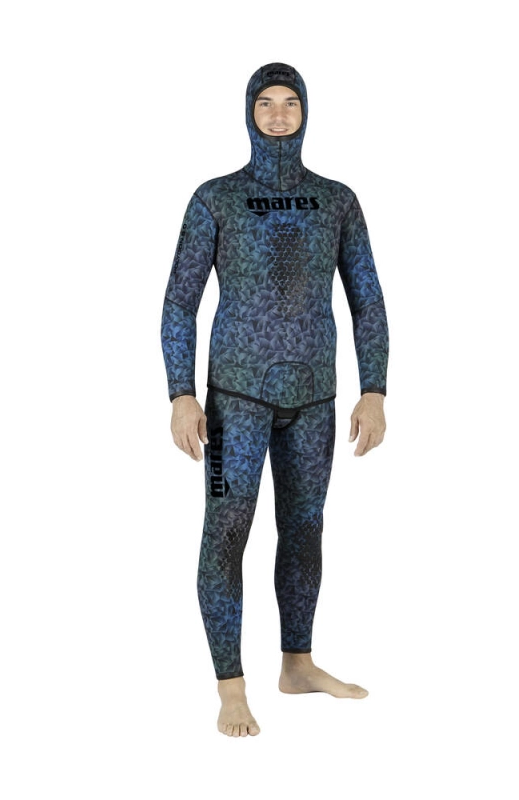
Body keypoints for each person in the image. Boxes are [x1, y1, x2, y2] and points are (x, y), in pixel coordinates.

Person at [161, 62, 389, 737]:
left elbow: (368, 300)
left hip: (315, 398)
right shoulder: (217, 199)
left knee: (305, 527)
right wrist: (180, 394)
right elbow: (179, 302)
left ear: (306, 111)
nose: (280, 114)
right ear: (249, 111)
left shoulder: (336, 200)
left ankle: (298, 664)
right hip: (235, 401)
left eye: (291, 102)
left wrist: (375, 388)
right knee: (227, 531)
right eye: (267, 103)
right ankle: (231, 688)